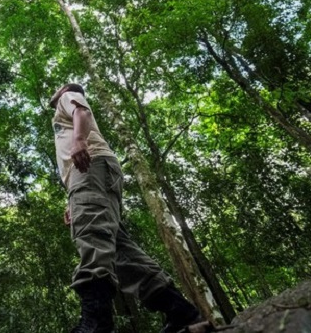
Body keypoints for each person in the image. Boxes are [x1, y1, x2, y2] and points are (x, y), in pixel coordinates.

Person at [49, 83, 215, 333]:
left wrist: (80, 140)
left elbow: (81, 112)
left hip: (89, 166)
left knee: (92, 234)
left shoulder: (68, 96)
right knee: (119, 250)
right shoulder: (60, 114)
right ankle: (180, 311)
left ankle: (96, 323)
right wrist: (72, 200)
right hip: (88, 176)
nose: (54, 92)